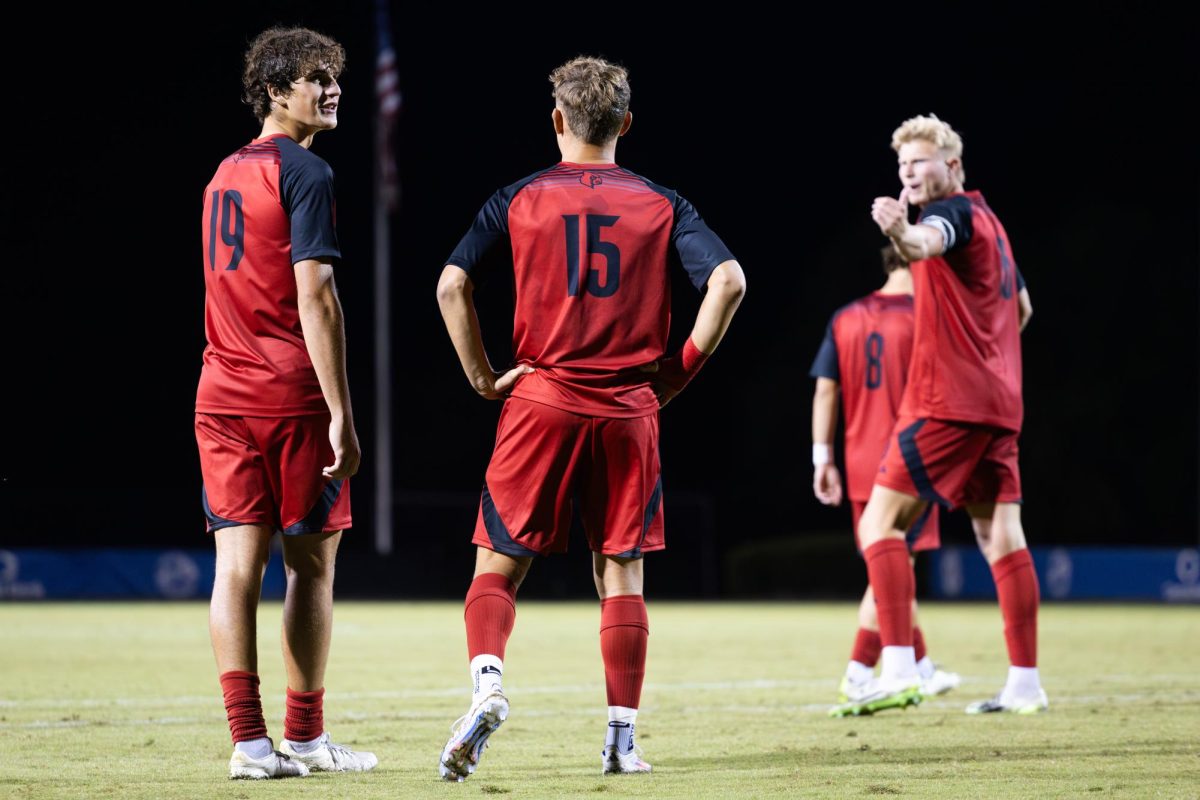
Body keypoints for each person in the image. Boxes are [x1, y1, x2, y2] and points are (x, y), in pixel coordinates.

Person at [435, 55, 746, 781]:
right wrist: (678, 369)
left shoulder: (517, 197)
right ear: (625, 124)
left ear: (556, 120)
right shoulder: (664, 201)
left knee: (499, 567)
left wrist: (484, 377)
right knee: (622, 575)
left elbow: (452, 284)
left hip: (540, 401)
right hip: (629, 409)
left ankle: (487, 686)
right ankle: (620, 740)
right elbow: (729, 279)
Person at [194, 26, 377, 779]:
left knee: (235, 565)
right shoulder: (305, 171)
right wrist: (341, 410)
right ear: (275, 90)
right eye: (315, 78)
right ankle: (302, 737)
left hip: (219, 390)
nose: (332, 88)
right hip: (290, 394)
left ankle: (248, 745)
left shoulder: (221, 174)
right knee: (309, 565)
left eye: (334, 76)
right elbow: (316, 294)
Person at [832, 114, 1042, 717]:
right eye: (901, 167)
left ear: (952, 166)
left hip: (947, 403)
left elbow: (926, 243)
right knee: (998, 535)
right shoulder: (995, 226)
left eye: (919, 162)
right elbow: (1023, 307)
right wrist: (985, 348)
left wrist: (902, 232)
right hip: (999, 405)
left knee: (879, 527)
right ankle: (1025, 685)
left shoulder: (950, 215)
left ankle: (898, 667)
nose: (908, 173)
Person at [809, 246, 962, 708]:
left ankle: (921, 666)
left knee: (895, 565)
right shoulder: (927, 316)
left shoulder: (846, 316)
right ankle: (860, 672)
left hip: (858, 460)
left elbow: (825, 390)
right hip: (909, 458)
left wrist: (822, 458)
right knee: (892, 568)